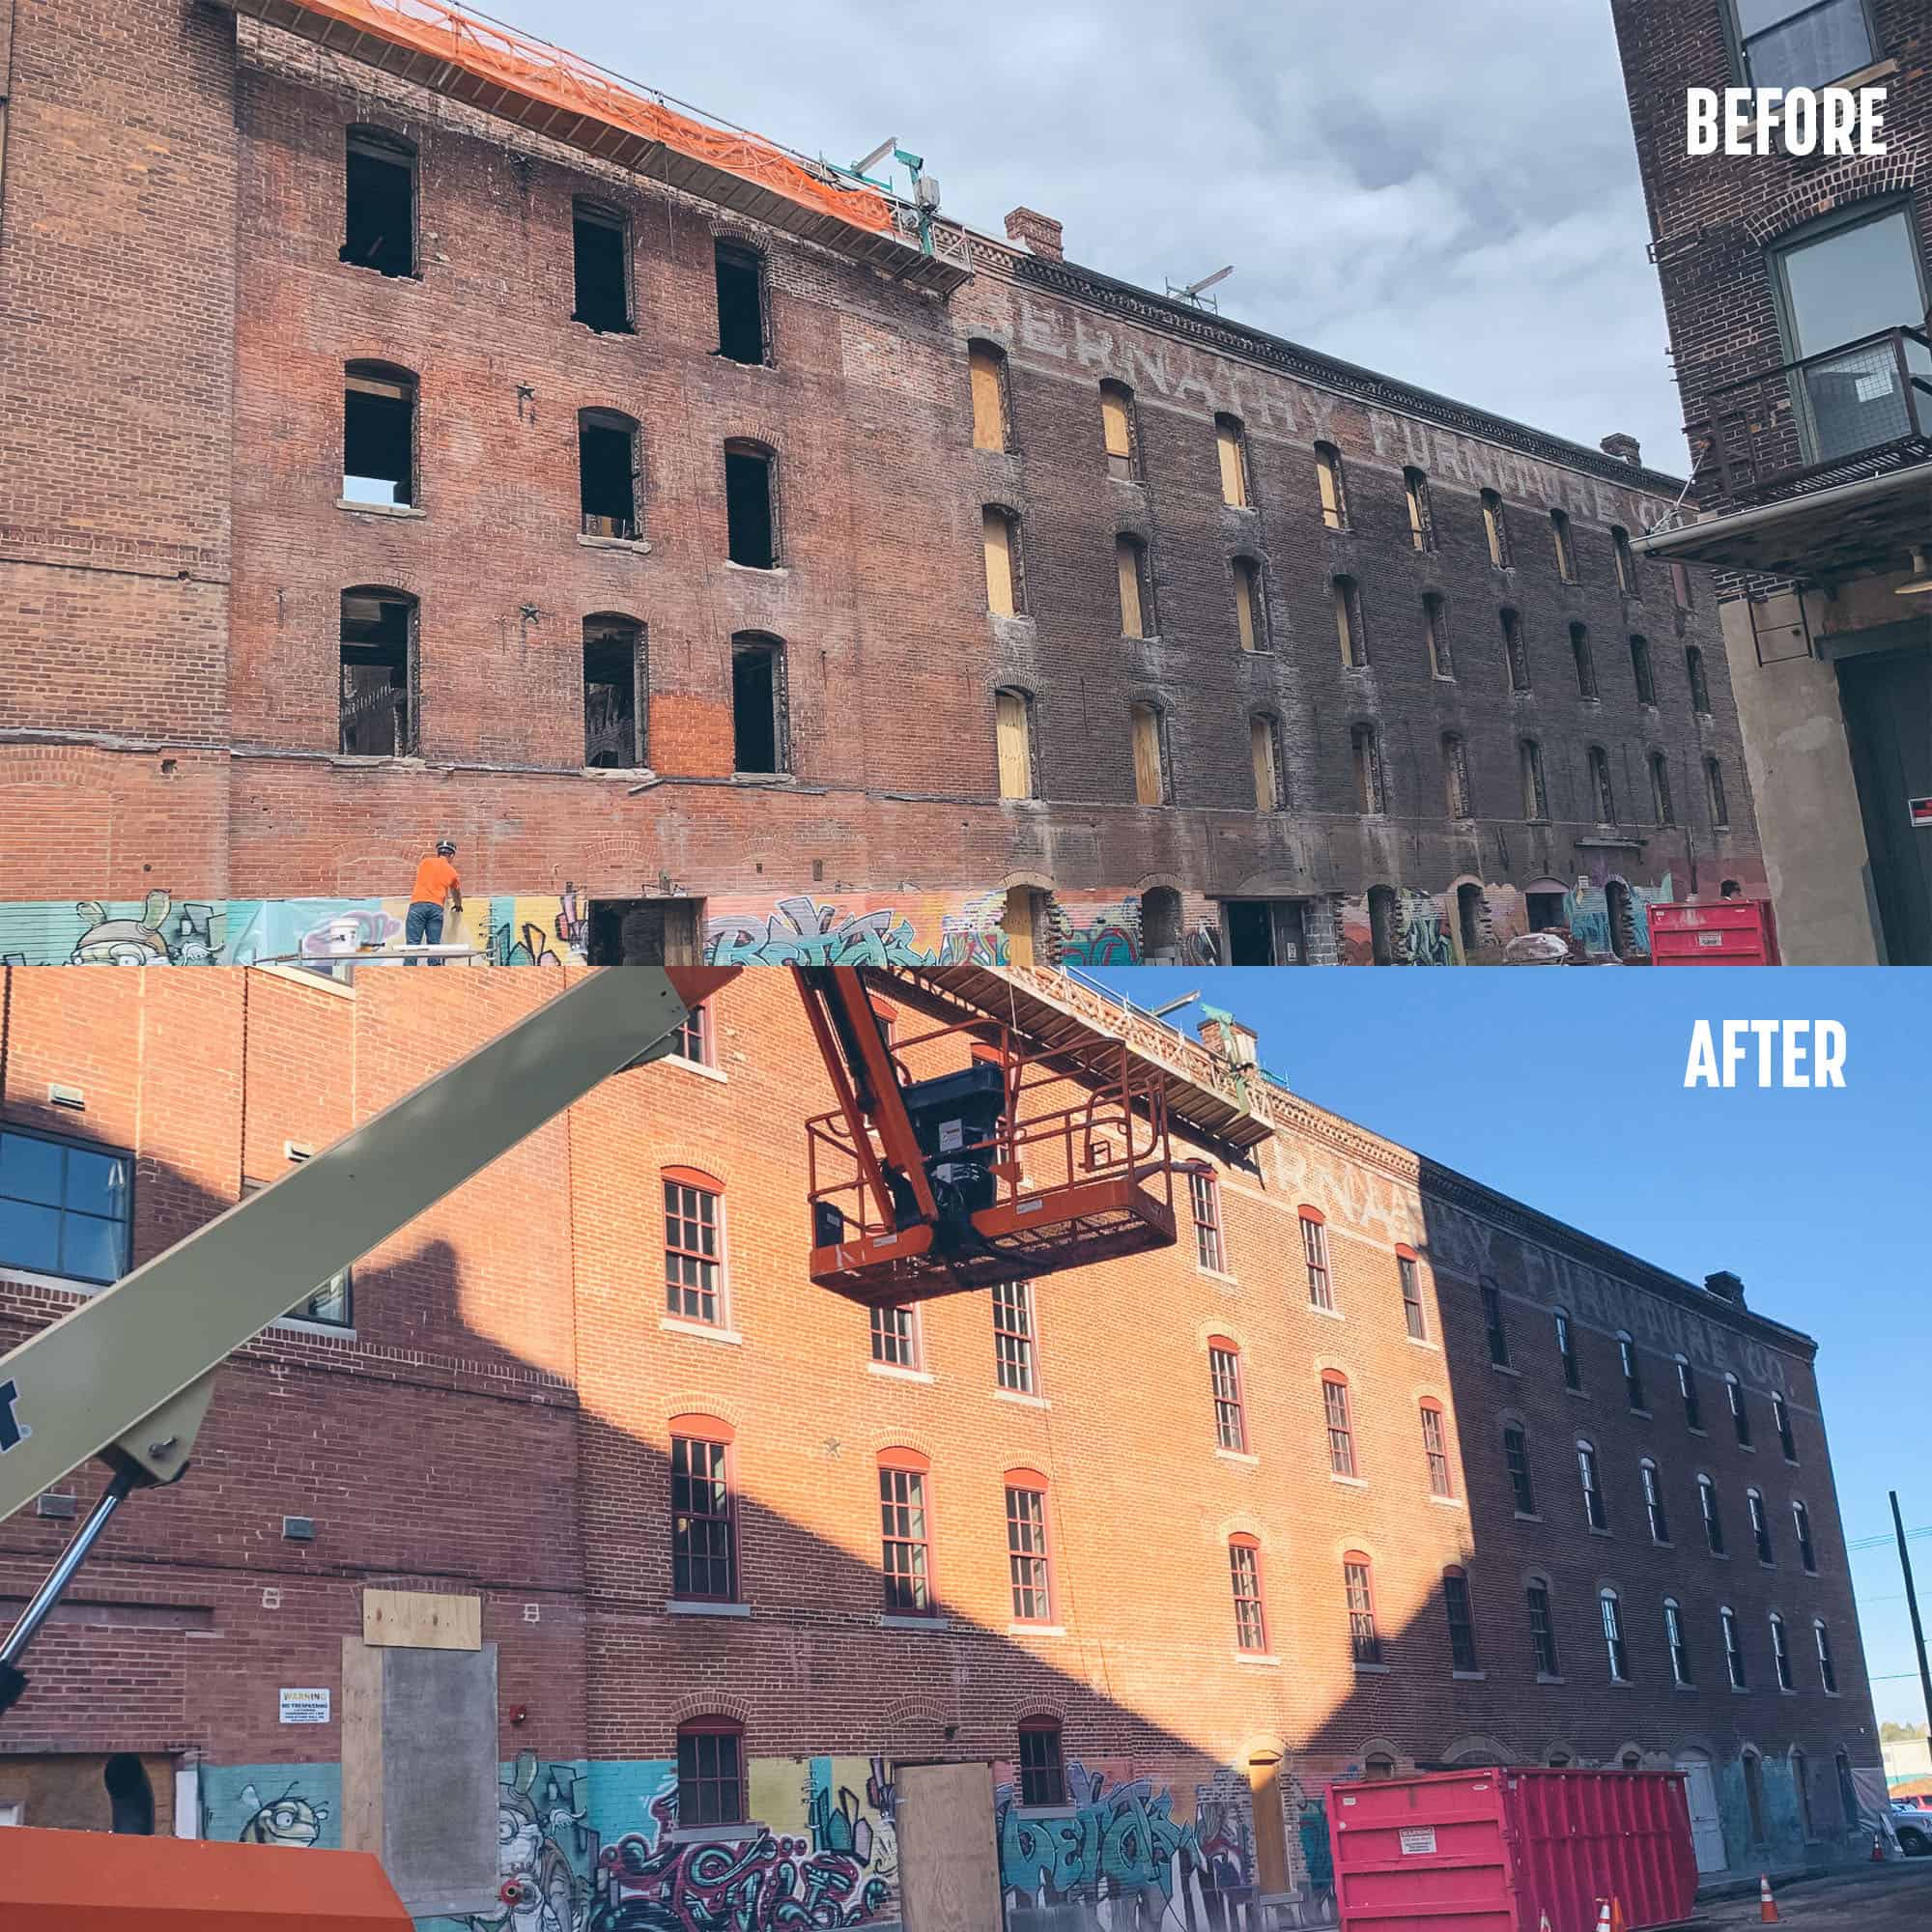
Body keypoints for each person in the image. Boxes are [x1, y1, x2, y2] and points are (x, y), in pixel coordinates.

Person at [406, 840, 461, 964]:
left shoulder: (425, 862)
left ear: (438, 852)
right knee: (434, 944)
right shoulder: (452, 872)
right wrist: (458, 905)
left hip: (417, 905)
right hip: (436, 908)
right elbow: (456, 892)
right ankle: (434, 972)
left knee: (412, 944)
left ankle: (408, 972)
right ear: (451, 855)